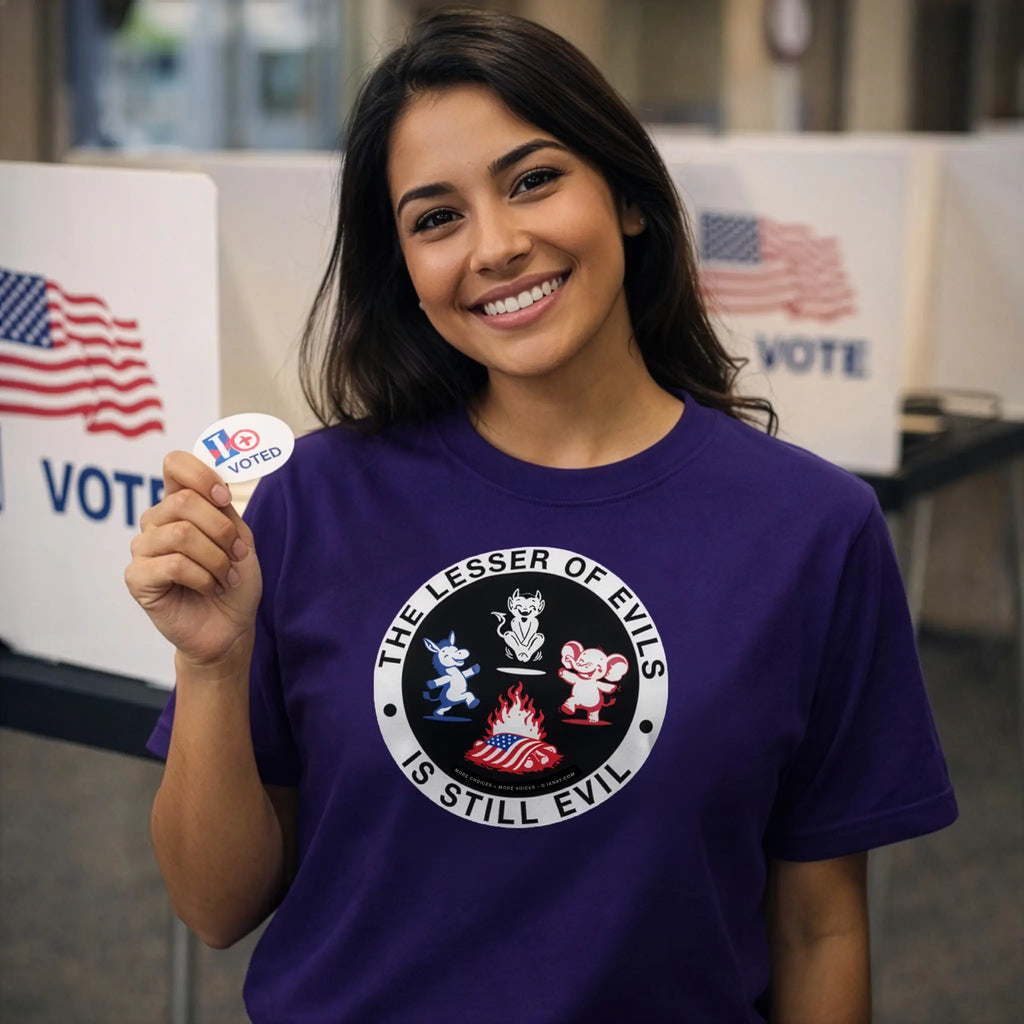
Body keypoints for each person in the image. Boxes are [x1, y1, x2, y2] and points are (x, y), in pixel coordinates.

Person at [126, 9, 957, 1023]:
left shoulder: (814, 530)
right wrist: (212, 665)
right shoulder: (311, 499)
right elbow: (214, 907)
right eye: (437, 218)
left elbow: (817, 925)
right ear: (407, 274)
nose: (498, 246)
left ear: (628, 200)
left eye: (533, 180)